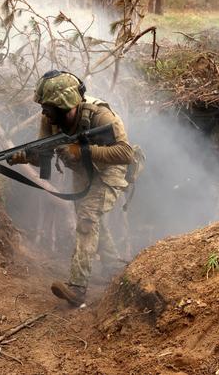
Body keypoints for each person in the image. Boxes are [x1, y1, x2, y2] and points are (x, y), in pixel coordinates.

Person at [8, 70, 134, 306]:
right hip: (84, 172)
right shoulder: (50, 119)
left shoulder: (101, 116)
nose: (44, 112)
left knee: (87, 219)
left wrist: (82, 150)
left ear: (64, 104)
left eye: (49, 107)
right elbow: (42, 156)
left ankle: (77, 288)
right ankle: (113, 267)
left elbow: (125, 153)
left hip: (109, 169)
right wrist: (23, 157)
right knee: (90, 217)